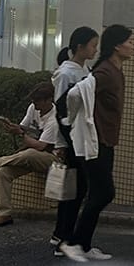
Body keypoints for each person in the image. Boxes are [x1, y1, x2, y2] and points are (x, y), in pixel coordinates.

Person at [59, 24, 133, 263]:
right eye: (129, 41)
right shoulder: (105, 72)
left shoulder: (115, 70)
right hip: (95, 141)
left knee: (97, 193)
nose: (133, 46)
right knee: (104, 192)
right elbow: (72, 95)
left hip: (106, 140)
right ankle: (73, 242)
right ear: (117, 46)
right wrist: (71, 121)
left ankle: (83, 244)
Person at [0, 83, 59, 226]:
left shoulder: (54, 120)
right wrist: (13, 128)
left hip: (52, 159)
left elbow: (41, 146)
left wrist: (21, 134)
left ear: (49, 100)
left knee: (30, 153)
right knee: (5, 172)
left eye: (38, 101)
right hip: (33, 155)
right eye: (33, 101)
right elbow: (24, 127)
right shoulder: (33, 108)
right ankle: (4, 214)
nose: (34, 104)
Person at [50, 25, 100, 252]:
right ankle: (63, 236)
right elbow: (60, 110)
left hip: (82, 135)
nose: (95, 50)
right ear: (80, 47)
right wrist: (61, 143)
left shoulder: (85, 70)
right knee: (74, 189)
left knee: (76, 189)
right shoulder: (66, 73)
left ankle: (61, 234)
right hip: (72, 137)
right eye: (92, 46)